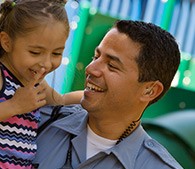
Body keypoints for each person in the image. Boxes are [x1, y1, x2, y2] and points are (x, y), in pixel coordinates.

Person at [33, 20, 183, 169]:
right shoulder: (38, 121)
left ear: (150, 90)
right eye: (96, 57)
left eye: (111, 66)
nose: (91, 69)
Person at [0, 0, 83, 168]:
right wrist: (14, 106)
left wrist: (91, 96)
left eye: (57, 53)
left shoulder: (38, 84)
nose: (46, 63)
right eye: (35, 52)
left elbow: (62, 101)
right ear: (7, 42)